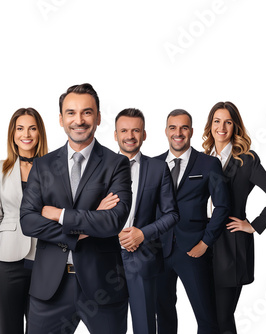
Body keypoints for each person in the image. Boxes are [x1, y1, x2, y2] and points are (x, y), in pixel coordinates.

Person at [20, 83, 132, 334]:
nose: (78, 120)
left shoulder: (117, 164)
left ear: (98, 117)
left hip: (102, 287)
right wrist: (83, 228)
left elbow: (113, 221)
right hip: (50, 287)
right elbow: (28, 221)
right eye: (71, 113)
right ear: (61, 119)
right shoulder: (43, 165)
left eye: (87, 112)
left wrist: (59, 215)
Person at [202, 101, 266, 334]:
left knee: (223, 319)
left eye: (228, 122)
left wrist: (254, 225)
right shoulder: (202, 159)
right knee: (207, 320)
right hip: (204, 246)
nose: (222, 127)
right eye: (217, 121)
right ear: (210, 126)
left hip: (231, 247)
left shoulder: (246, 160)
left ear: (235, 126)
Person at [155, 109, 230, 334]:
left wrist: (205, 243)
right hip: (159, 251)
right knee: (163, 315)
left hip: (193, 249)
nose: (178, 133)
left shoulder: (208, 164)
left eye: (184, 128)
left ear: (191, 131)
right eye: (173, 128)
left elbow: (222, 206)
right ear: (166, 131)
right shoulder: (154, 164)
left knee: (206, 318)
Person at [114, 108, 179, 334]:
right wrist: (116, 236)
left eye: (136, 130)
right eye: (124, 130)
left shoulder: (157, 168)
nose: (130, 136)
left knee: (145, 327)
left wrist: (142, 234)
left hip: (142, 259)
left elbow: (172, 214)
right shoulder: (100, 166)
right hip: (104, 258)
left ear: (144, 135)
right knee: (107, 326)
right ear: (115, 135)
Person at [0, 107, 48, 334]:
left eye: (32, 128)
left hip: (45, 261)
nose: (26, 134)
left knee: (40, 328)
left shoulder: (53, 168)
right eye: (20, 128)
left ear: (40, 133)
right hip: (8, 262)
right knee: (8, 329)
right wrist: (10, 236)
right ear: (12, 134)